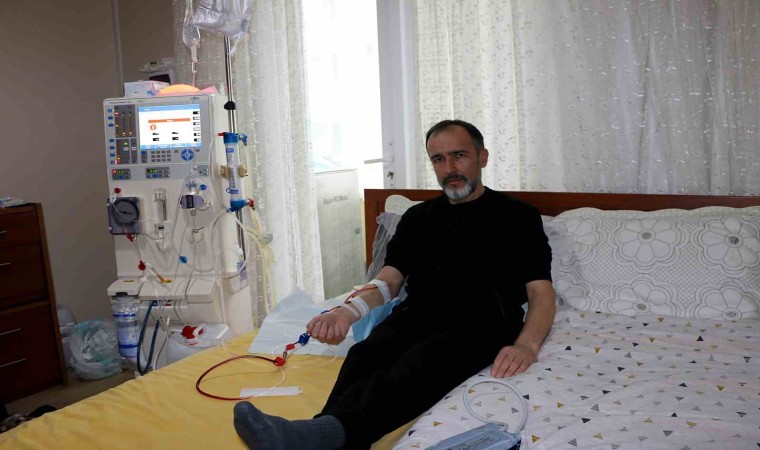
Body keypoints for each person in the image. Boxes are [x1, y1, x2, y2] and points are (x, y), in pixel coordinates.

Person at [233, 119, 557, 450]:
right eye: (438, 159)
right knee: (364, 354)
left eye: (459, 155)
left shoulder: (517, 216)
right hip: (418, 315)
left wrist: (526, 346)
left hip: (482, 321)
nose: (449, 168)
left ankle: (318, 436)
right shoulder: (418, 218)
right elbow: (389, 280)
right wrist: (347, 312)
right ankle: (326, 435)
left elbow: (541, 292)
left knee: (421, 361)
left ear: (482, 157)